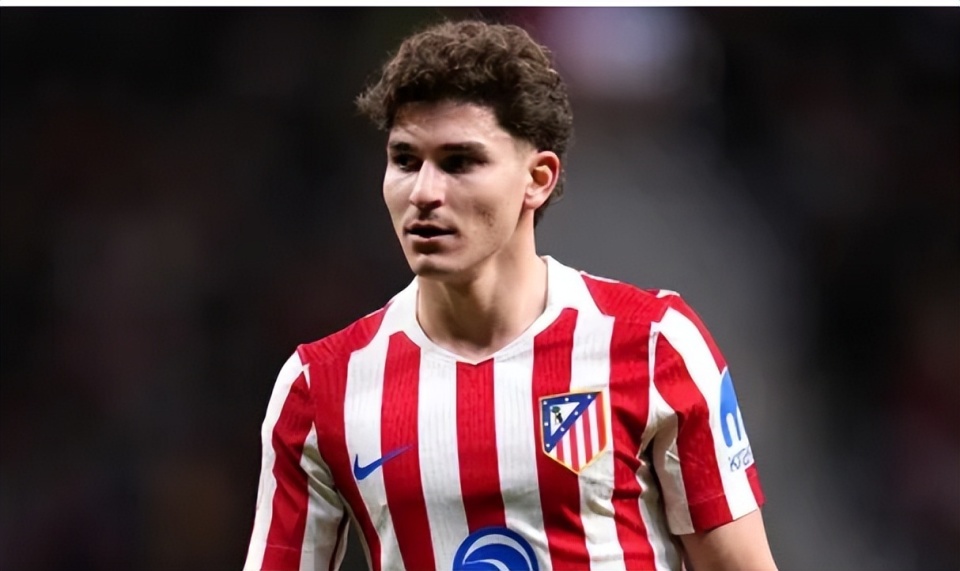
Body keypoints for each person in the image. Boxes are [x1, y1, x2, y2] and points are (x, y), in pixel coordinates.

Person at [244, 19, 777, 571]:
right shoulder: (319, 386)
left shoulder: (653, 344)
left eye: (459, 162)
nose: (424, 192)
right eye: (405, 160)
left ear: (538, 178)